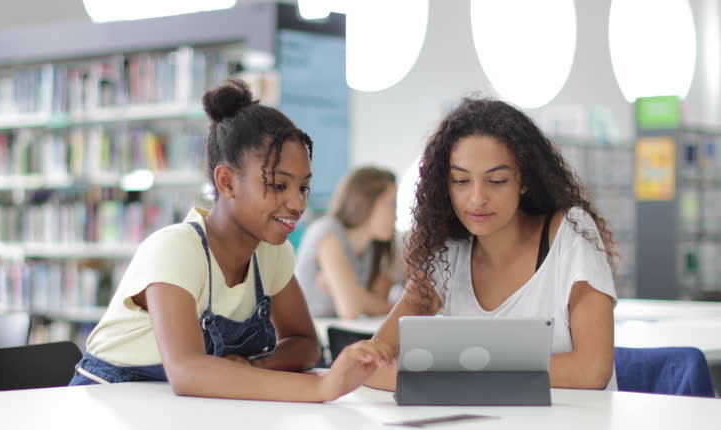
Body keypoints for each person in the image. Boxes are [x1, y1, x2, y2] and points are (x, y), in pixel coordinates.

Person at [70, 79, 386, 401]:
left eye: (303, 187)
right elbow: (187, 372)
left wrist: (252, 365)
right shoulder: (177, 249)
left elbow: (305, 343)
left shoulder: (271, 253)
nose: (298, 203)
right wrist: (321, 386)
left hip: (177, 406)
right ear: (227, 182)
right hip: (106, 404)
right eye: (279, 185)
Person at [364, 97, 619, 391]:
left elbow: (593, 370)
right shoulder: (448, 252)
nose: (477, 199)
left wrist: (453, 370)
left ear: (524, 181)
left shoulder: (569, 233)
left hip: (572, 428)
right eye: (460, 181)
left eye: (496, 180)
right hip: (483, 429)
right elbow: (374, 359)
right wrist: (463, 373)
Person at [295, 166, 398, 319]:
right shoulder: (327, 231)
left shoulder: (371, 249)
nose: (395, 216)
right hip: (304, 336)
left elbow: (376, 299)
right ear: (366, 201)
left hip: (329, 335)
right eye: (391, 205)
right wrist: (355, 296)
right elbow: (350, 308)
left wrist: (353, 293)